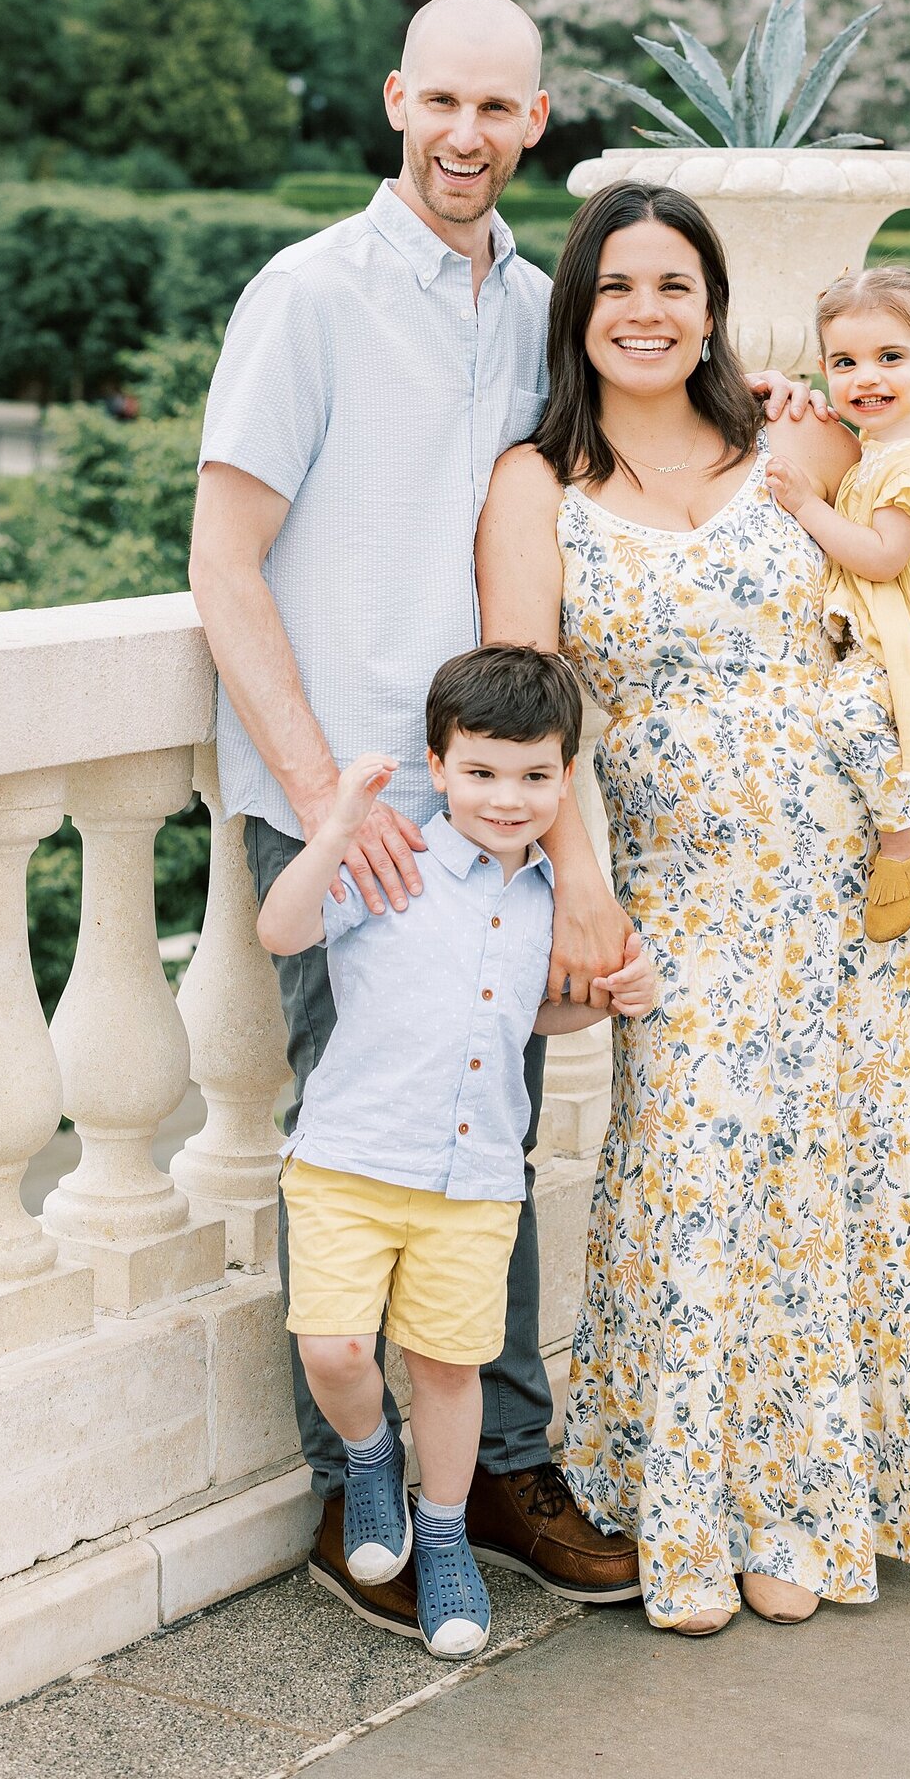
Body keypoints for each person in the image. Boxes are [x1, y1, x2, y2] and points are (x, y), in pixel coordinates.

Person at [189, 0, 813, 1631]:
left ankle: (507, 1470)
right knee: (357, 1134)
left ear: (537, 124)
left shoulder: (546, 308)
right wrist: (327, 790)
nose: (465, 133)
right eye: (439, 100)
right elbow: (221, 561)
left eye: (498, 108)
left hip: (504, 808)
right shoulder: (306, 296)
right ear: (397, 98)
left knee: (493, 1134)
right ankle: (360, 1497)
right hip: (352, 808)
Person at [477, 181, 910, 1635]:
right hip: (681, 891)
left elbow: (907, 532)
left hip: (839, 880)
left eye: (675, 285)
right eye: (618, 284)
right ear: (581, 307)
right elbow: (530, 699)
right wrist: (580, 884)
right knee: (697, 1173)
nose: (646, 310)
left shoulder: (793, 440)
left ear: (712, 308)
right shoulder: (535, 483)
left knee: (827, 1178)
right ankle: (690, 1500)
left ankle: (807, 1505)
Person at [254, 646, 657, 1659]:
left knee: (447, 1364)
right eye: (480, 773)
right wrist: (338, 822)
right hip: (351, 1165)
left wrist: (609, 1003)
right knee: (337, 1350)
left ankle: (443, 1537)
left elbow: (537, 1013)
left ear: (565, 779)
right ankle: (366, 1460)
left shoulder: (545, 904)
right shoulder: (392, 864)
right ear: (437, 767)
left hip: (470, 1182)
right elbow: (280, 928)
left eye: (533, 777)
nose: (507, 798)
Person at [766, 260, 910, 942]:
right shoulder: (876, 446)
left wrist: (806, 502)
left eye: (888, 358)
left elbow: (881, 555)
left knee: (845, 715)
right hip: (890, 624)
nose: (865, 378)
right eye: (846, 362)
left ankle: (904, 838)